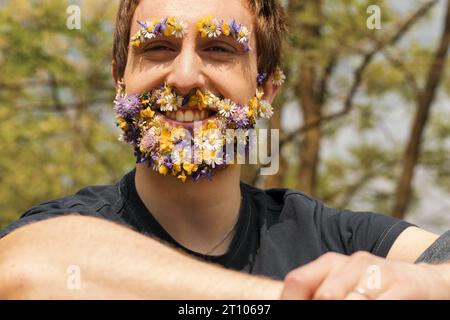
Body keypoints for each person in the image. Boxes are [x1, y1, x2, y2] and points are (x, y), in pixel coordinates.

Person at [0, 0, 449, 300]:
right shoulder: (66, 227)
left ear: (267, 89)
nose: (185, 77)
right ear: (120, 78)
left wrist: (424, 282)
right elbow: (29, 269)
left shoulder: (332, 239)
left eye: (219, 48)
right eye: (158, 47)